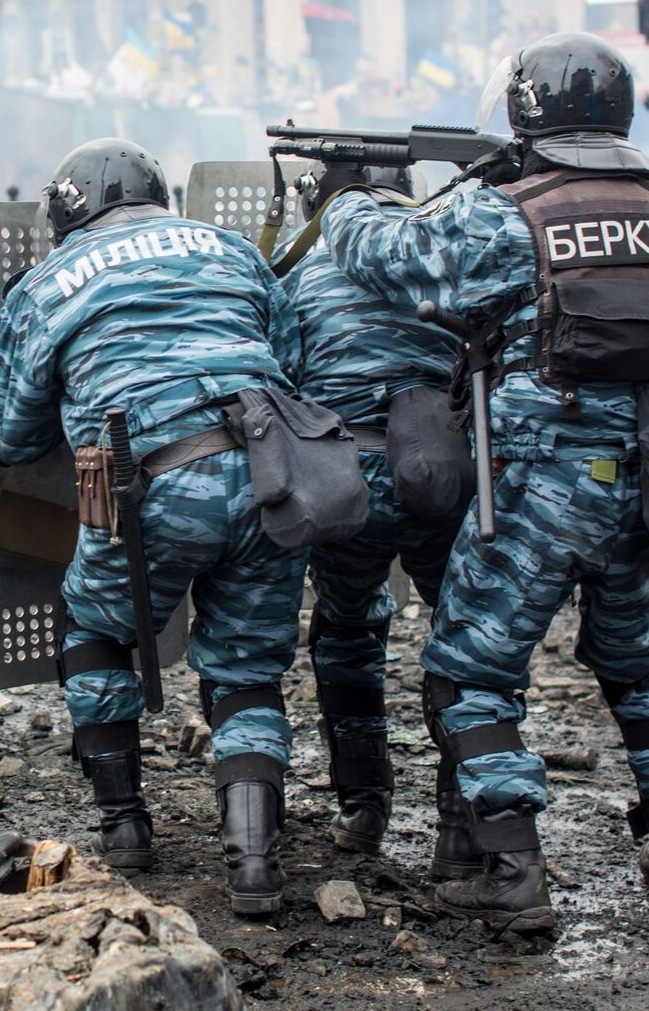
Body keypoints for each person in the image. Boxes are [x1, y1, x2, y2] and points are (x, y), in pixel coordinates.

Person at [314, 32, 649, 934]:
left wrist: (344, 197)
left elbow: (392, 258)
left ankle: (511, 868)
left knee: (472, 670)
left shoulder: (509, 214)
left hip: (540, 479)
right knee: (638, 660)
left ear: (525, 112)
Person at [0, 138, 306, 915]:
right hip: (272, 474)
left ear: (67, 213)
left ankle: (125, 827)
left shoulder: (50, 280)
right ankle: (255, 864)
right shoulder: (231, 249)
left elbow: (8, 435)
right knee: (248, 669)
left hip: (149, 486)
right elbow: (288, 360)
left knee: (94, 627)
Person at [278, 166, 467, 869]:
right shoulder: (437, 263)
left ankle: (364, 809)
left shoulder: (298, 277)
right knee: (465, 642)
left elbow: (281, 381)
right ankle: (462, 829)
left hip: (344, 479)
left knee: (348, 629)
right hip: (440, 475)